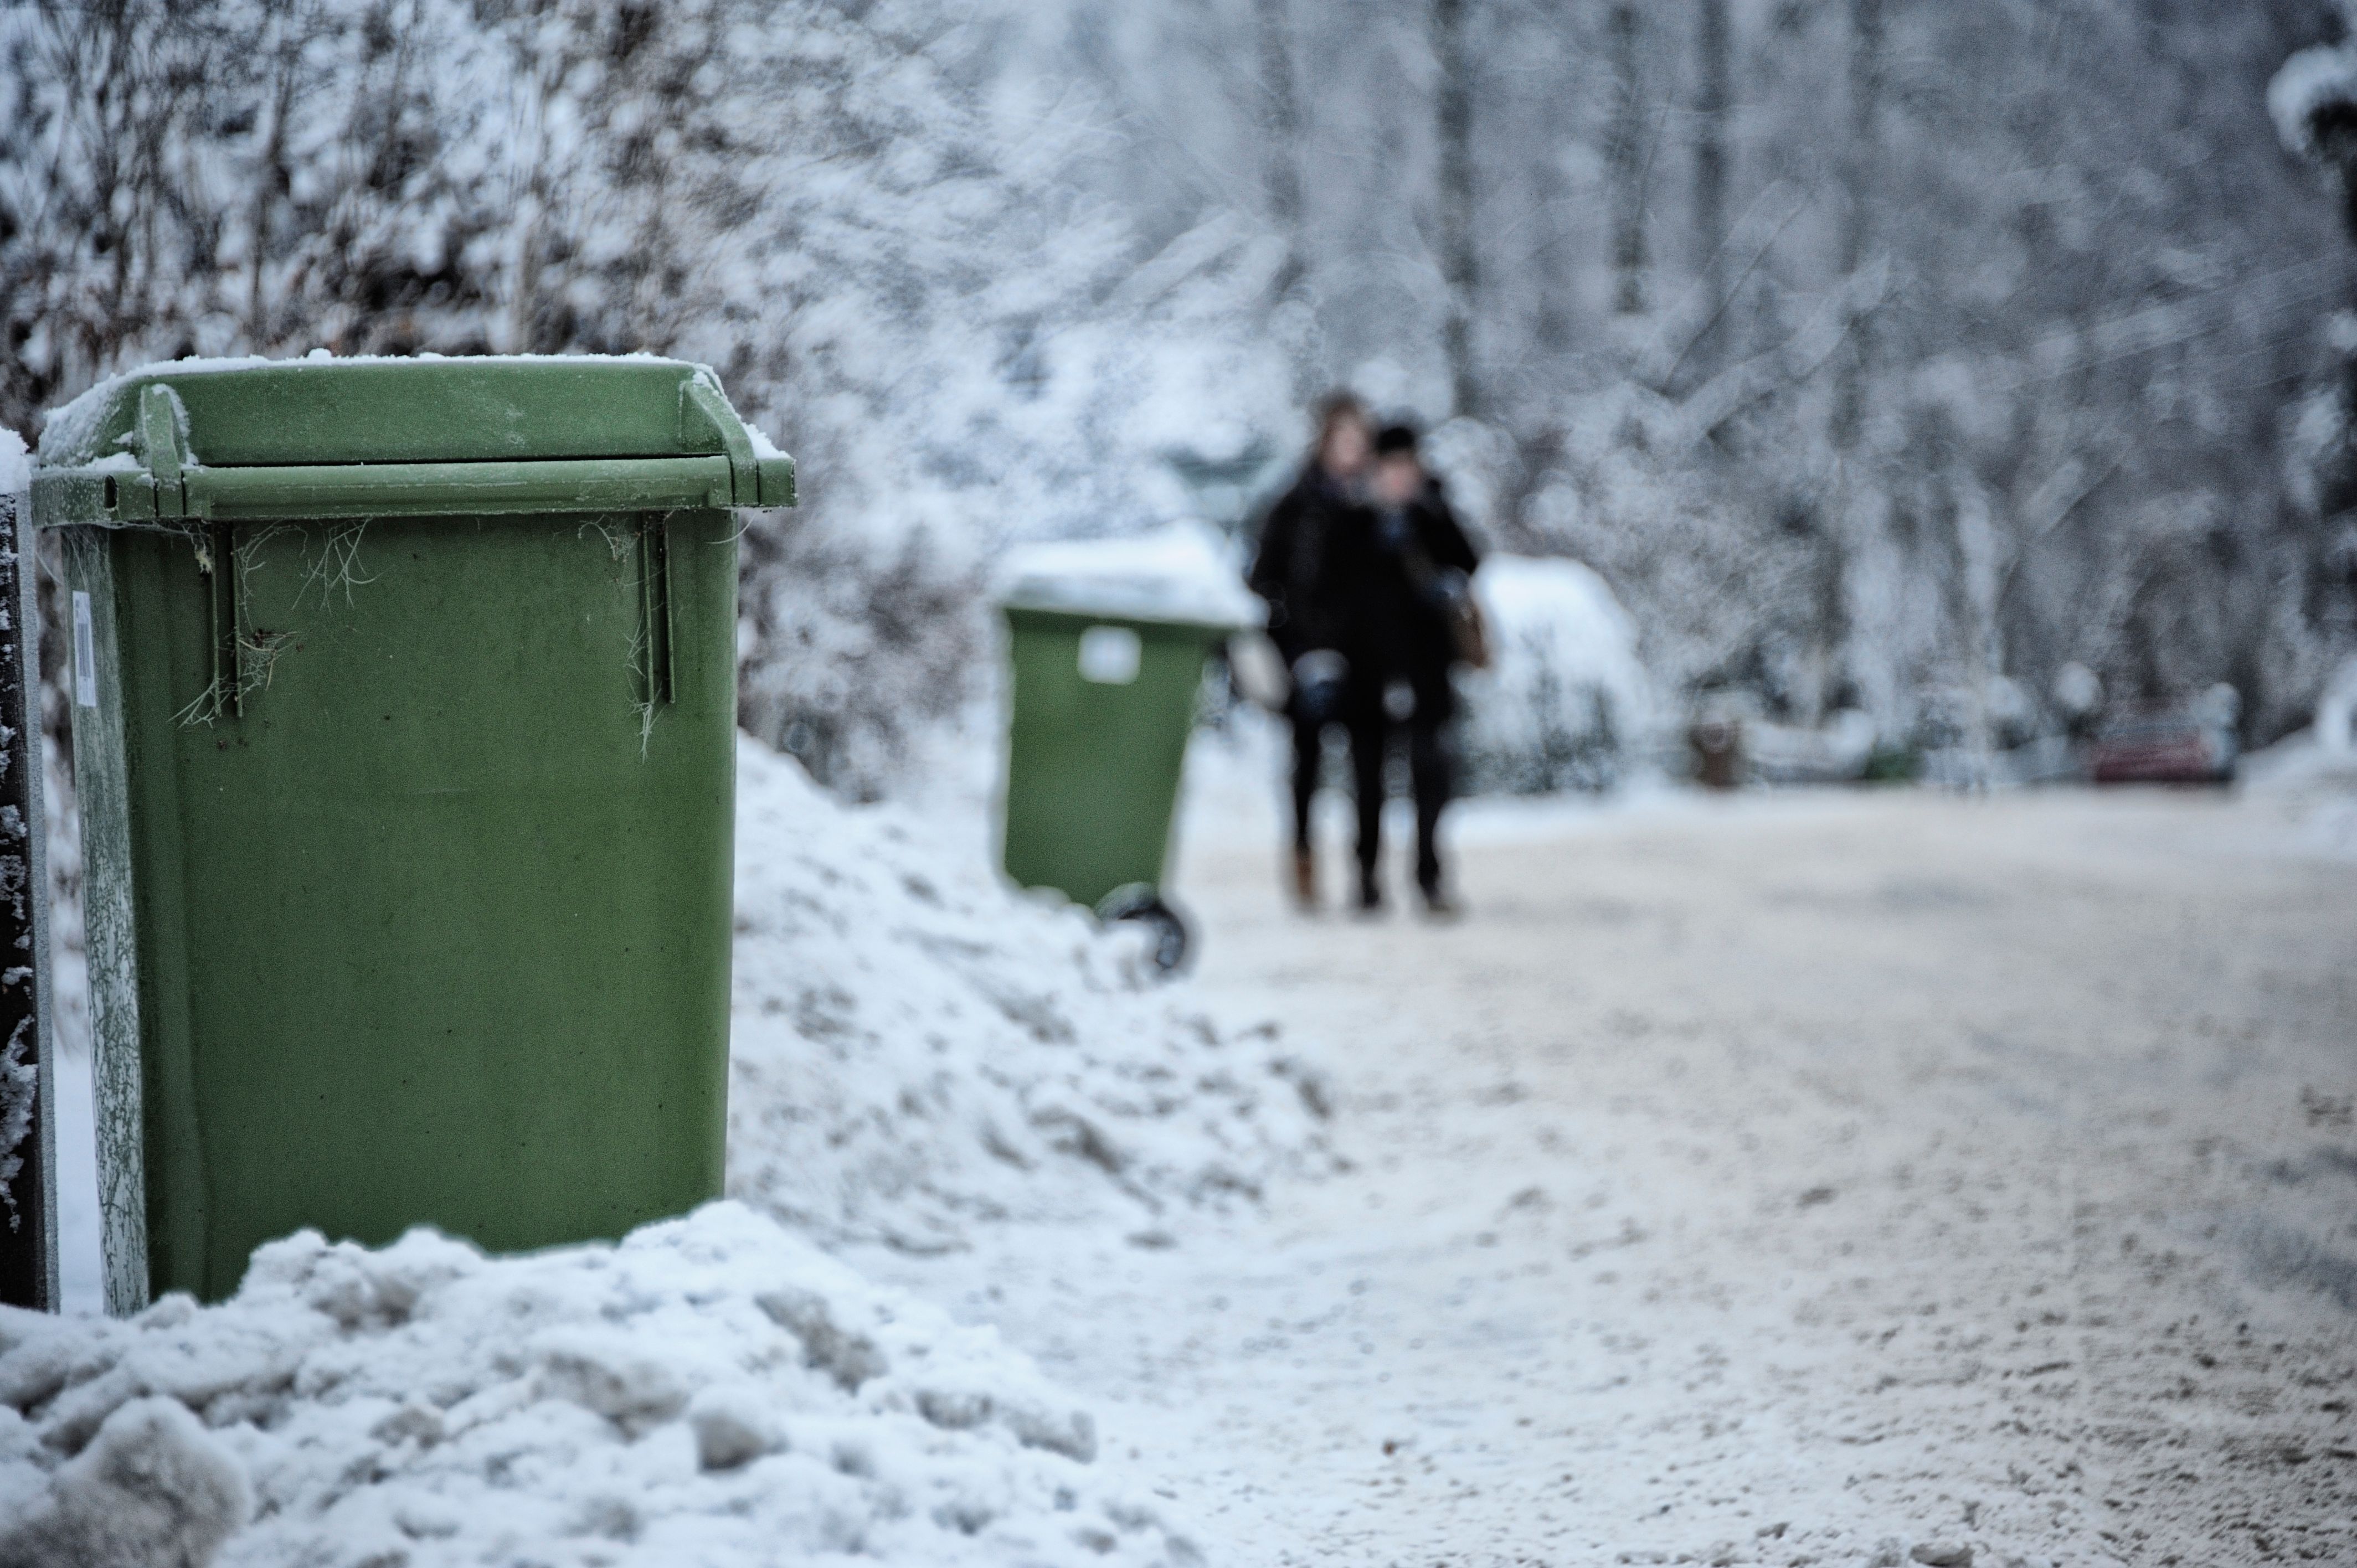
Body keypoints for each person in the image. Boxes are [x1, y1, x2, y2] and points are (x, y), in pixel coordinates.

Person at [1335, 422, 1481, 915]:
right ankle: (1367, 878)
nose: (1400, 476)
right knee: (1369, 780)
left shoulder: (1434, 514)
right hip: (1367, 673)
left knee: (1430, 776)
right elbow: (1332, 590)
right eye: (1391, 466)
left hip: (1426, 671)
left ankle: (1429, 876)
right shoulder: (1352, 519)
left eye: (1407, 466)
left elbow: (1470, 560)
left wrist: (1428, 529)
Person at [1248, 393, 1375, 909]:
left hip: (1363, 656)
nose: (1351, 449)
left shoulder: (1374, 505)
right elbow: (1262, 580)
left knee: (1369, 765)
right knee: (1307, 766)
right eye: (1342, 437)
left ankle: (1367, 874)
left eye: (1358, 439)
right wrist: (1293, 645)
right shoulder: (1293, 504)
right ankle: (1303, 862)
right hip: (1305, 658)